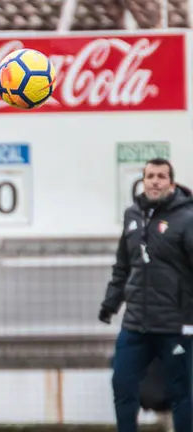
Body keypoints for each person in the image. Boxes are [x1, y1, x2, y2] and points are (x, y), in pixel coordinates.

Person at [99, 157, 193, 432]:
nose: (154, 181)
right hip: (136, 324)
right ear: (143, 181)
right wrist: (111, 303)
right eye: (150, 176)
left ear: (171, 183)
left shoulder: (187, 219)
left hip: (174, 326)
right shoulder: (132, 216)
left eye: (161, 176)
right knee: (122, 385)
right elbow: (123, 266)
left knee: (181, 391)